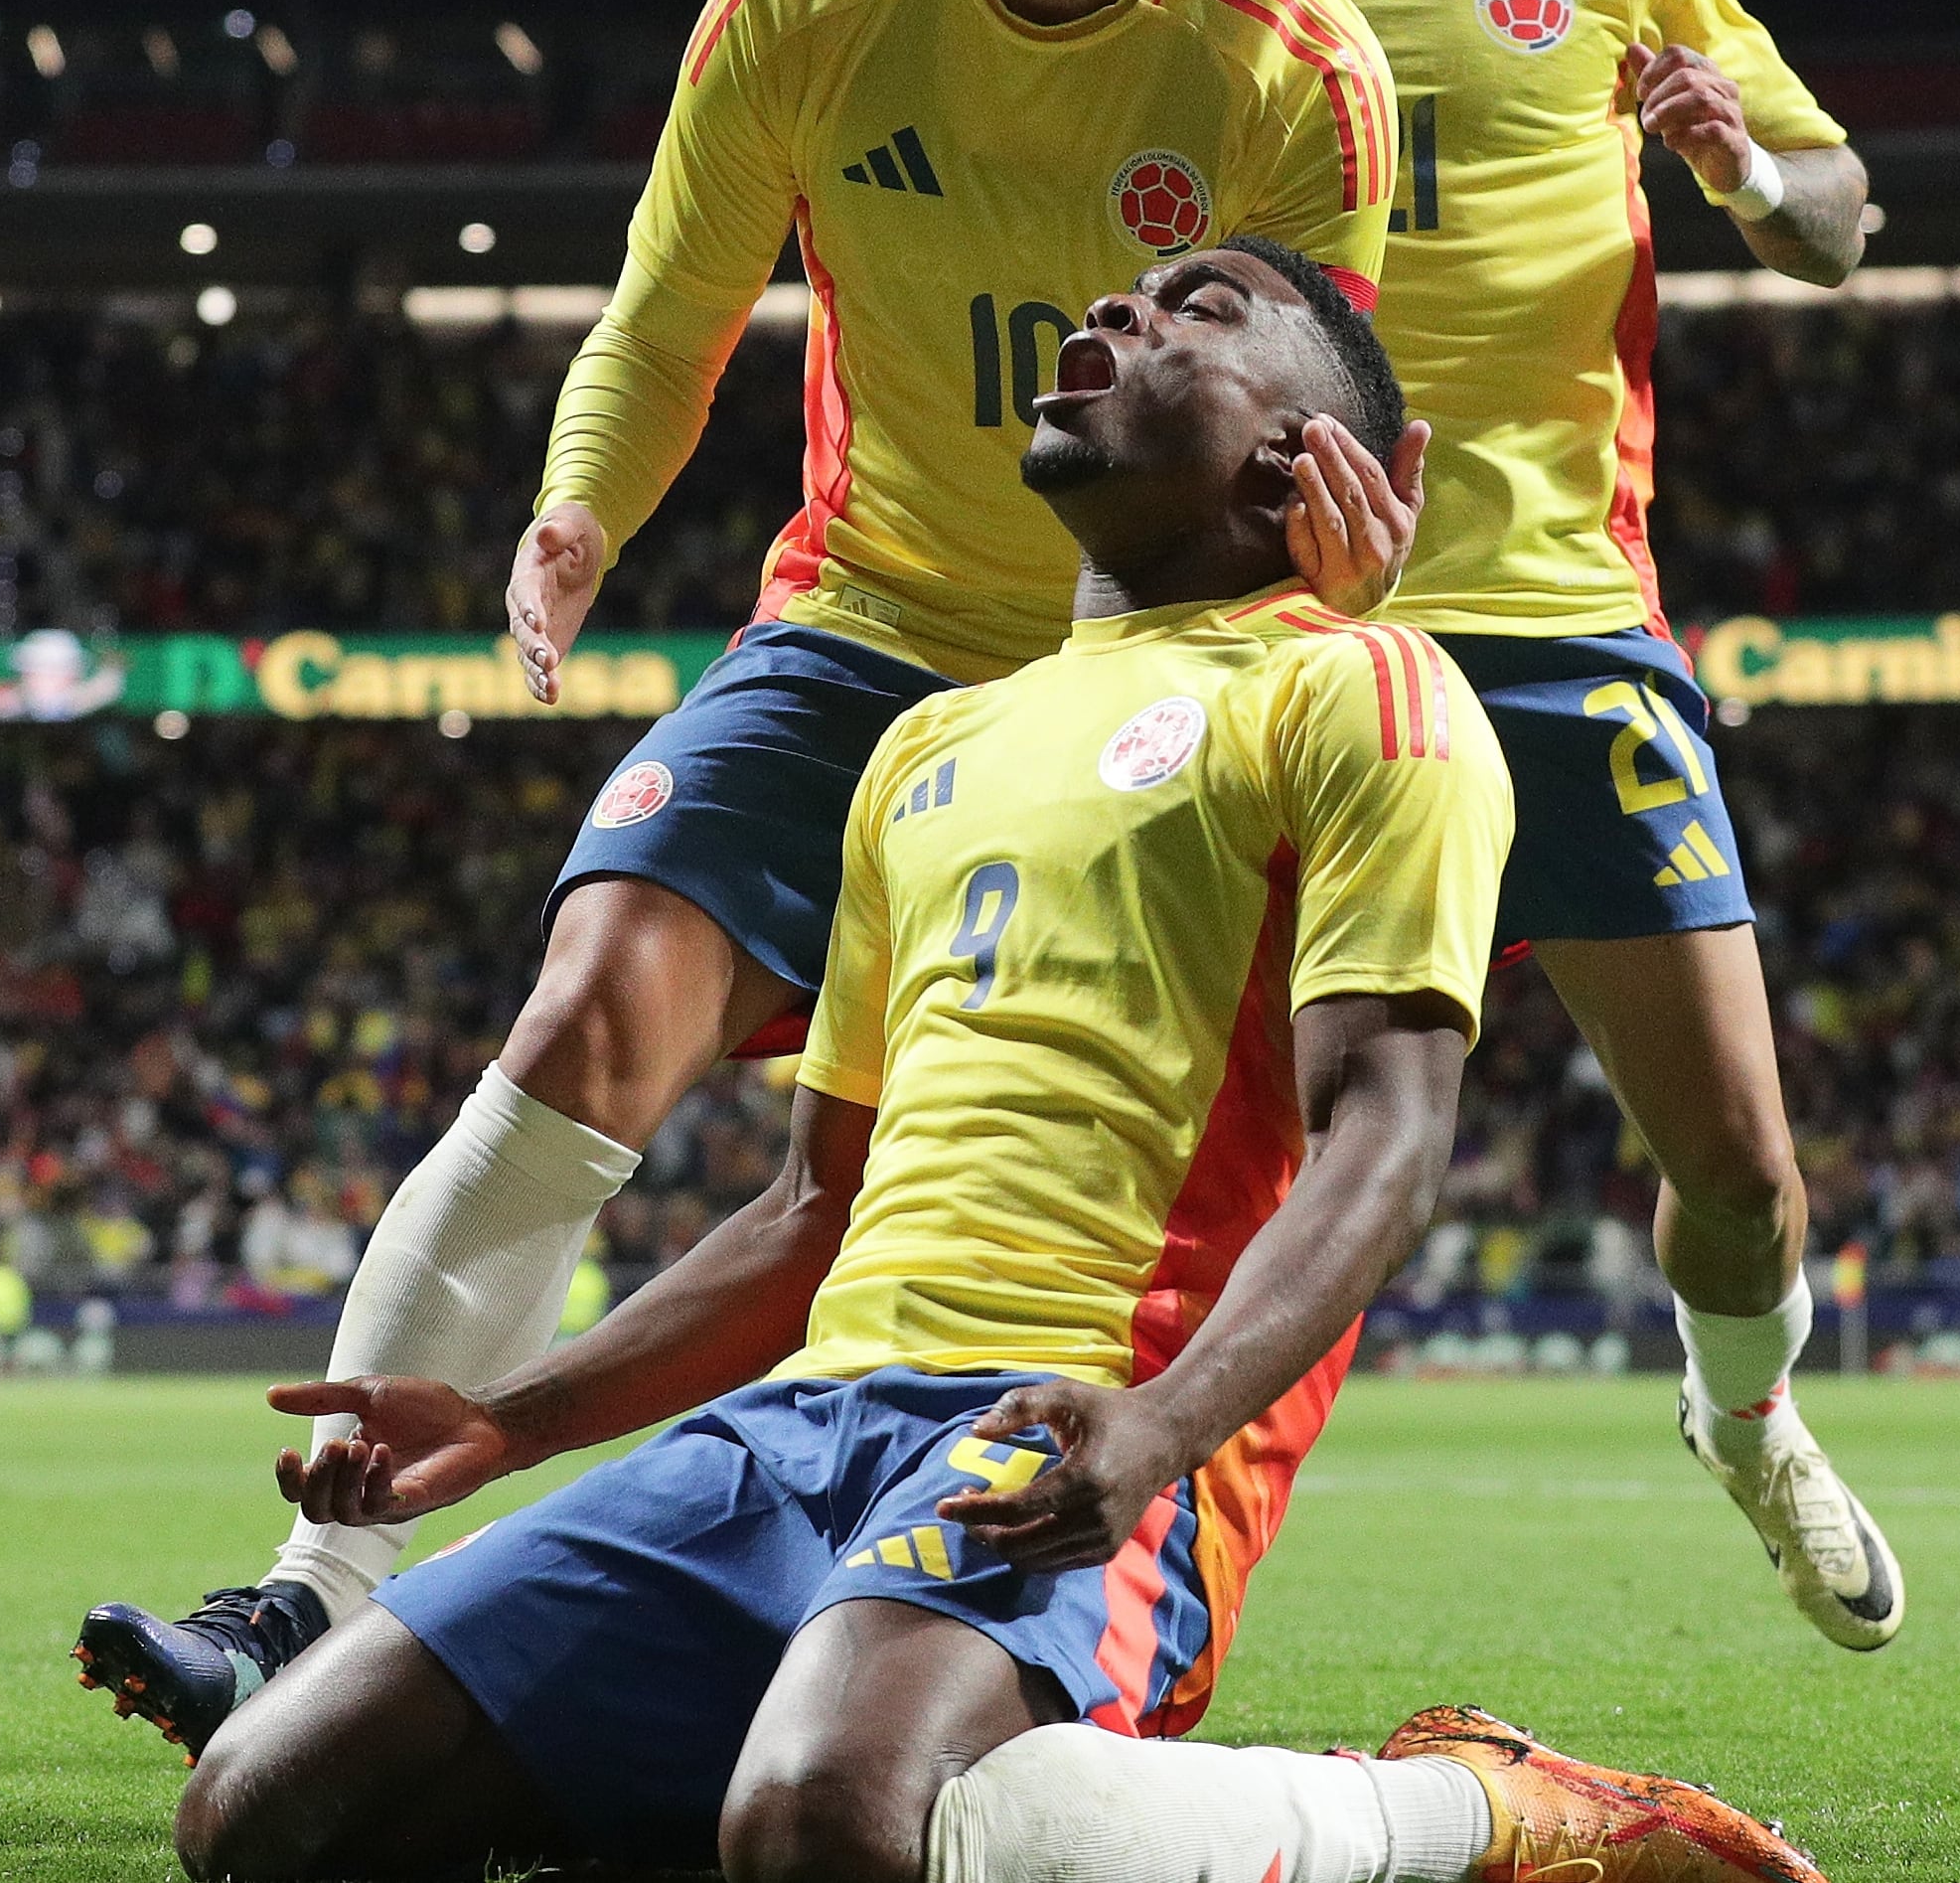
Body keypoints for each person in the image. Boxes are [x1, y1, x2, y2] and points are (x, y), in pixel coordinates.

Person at [79, 0, 1425, 1749]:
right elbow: (667, 308)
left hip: (1145, 670)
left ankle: (1004, 1586)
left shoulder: (1292, 63)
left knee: (995, 1182)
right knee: (594, 1007)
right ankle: (309, 1597)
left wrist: (1322, 633)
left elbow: (1315, 408)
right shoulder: (800, 1)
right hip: (868, 617)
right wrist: (580, 504)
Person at [175, 238, 1819, 1883]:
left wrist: (1167, 1425)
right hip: (798, 1424)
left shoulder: (1366, 690)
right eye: (1123, 295)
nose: (1118, 310)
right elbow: (811, 1212)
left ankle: (1468, 1813)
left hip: (1082, 1417)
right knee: (263, 1812)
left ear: (1294, 454)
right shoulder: (925, 747)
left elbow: (1383, 1144)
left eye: (1201, 309)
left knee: (825, 1825)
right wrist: (505, 1418)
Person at [1197, 0, 1903, 1649]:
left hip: (1553, 623)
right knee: (1188, 1162)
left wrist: (1741, 170)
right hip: (1279, 635)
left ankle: (1743, 1419)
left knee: (1742, 1174)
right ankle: (1077, 1544)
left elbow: (1836, 222)